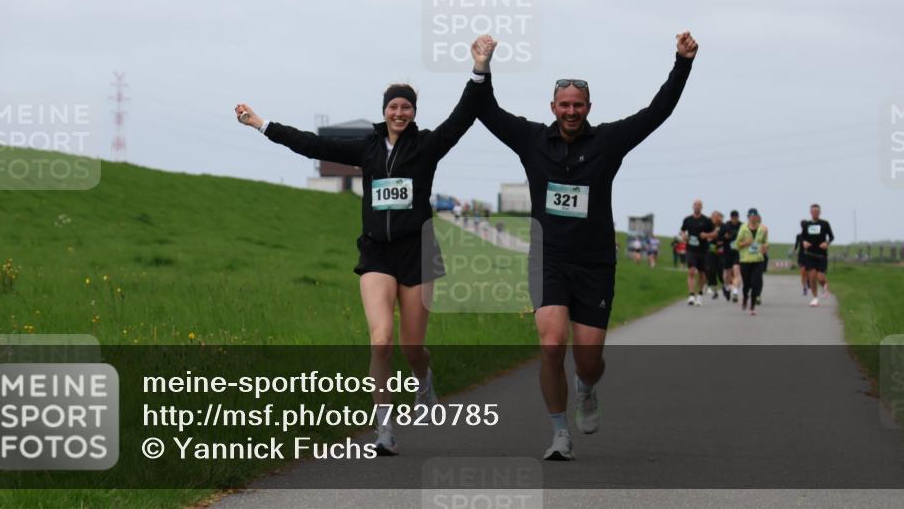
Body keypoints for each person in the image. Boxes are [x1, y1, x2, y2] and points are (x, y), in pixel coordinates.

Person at [235, 35, 495, 455]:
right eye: (393, 106)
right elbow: (313, 144)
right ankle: (384, 429)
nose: (399, 112)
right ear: (384, 111)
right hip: (376, 253)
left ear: (414, 113)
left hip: (417, 254)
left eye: (406, 107)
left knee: (412, 347)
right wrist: (262, 124)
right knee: (381, 340)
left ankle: (424, 380)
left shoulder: (427, 146)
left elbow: (464, 116)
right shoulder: (367, 148)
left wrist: (479, 68)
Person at [478, 32, 698, 461]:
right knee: (551, 344)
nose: (571, 111)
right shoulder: (531, 140)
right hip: (549, 259)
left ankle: (587, 387)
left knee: (589, 359)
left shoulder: (608, 142)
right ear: (552, 108)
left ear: (589, 108)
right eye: (564, 105)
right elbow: (486, 110)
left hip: (595, 262)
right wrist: (482, 66)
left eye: (578, 105)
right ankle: (560, 432)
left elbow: (658, 111)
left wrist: (682, 62)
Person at [680, 199, 716, 306]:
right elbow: (682, 230)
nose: (697, 206)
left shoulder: (707, 220)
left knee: (702, 274)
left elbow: (715, 233)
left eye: (699, 205)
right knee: (691, 271)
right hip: (691, 249)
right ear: (693, 206)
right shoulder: (687, 219)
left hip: (703, 250)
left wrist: (707, 235)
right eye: (695, 205)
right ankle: (691, 295)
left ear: (702, 207)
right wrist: (684, 236)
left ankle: (699, 294)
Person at [800, 204, 835, 307]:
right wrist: (804, 242)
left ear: (820, 212)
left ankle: (825, 285)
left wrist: (826, 243)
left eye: (817, 211)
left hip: (821, 255)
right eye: (813, 211)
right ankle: (815, 298)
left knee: (820, 278)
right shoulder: (807, 224)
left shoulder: (824, 223)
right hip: (809, 254)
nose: (815, 213)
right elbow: (802, 237)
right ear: (810, 212)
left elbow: (831, 236)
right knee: (812, 277)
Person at [736, 208, 769, 315]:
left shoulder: (763, 229)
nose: (753, 218)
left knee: (755, 283)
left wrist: (765, 247)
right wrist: (746, 243)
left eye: (755, 216)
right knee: (746, 284)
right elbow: (737, 244)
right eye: (751, 216)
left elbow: (766, 243)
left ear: (757, 217)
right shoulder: (743, 228)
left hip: (758, 260)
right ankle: (745, 297)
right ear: (748, 217)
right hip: (745, 260)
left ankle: (752, 306)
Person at [721, 210, 742, 302]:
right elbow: (720, 237)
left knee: (737, 270)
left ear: (738, 217)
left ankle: (735, 291)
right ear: (730, 218)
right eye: (733, 218)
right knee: (727, 274)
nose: (734, 219)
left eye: (736, 218)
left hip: (738, 252)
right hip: (727, 252)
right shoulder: (726, 225)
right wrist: (725, 237)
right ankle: (726, 287)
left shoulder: (742, 226)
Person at [706, 210, 726, 299]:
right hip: (711, 250)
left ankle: (725, 286)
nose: (713, 218)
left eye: (715, 216)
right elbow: (707, 237)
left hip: (721, 251)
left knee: (720, 272)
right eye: (712, 216)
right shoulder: (709, 226)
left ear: (720, 218)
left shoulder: (724, 226)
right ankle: (714, 291)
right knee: (711, 270)